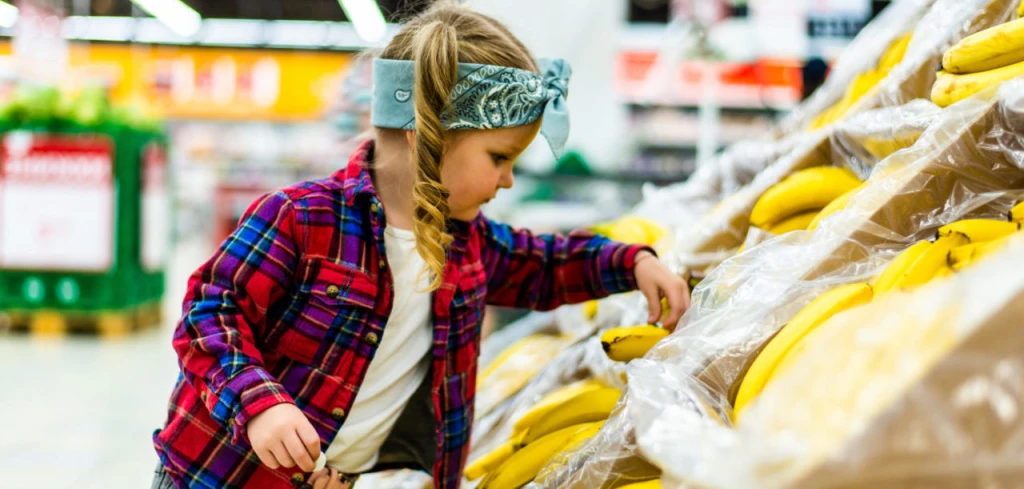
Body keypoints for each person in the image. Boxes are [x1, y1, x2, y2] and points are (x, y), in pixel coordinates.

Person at [151, 3, 690, 489]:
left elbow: (543, 264)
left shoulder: (465, 243)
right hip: (217, 473)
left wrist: (631, 261)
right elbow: (209, 314)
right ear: (426, 133)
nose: (506, 181)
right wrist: (258, 404)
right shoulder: (301, 219)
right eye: (499, 158)